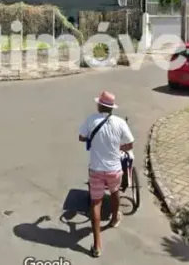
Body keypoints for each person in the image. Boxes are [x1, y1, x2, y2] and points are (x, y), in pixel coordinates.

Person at [78, 91, 134, 258]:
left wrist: (91, 139)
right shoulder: (119, 123)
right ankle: (114, 220)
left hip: (96, 169)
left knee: (96, 203)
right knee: (115, 192)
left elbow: (81, 137)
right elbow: (130, 144)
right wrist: (119, 148)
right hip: (114, 169)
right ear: (111, 108)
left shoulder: (91, 119)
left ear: (100, 105)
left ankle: (97, 245)